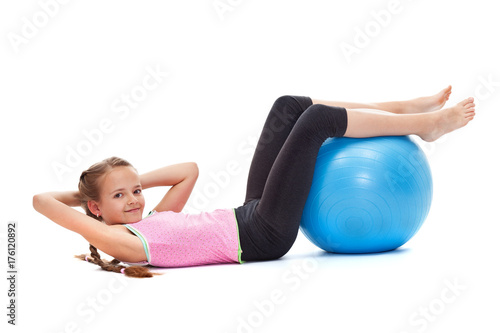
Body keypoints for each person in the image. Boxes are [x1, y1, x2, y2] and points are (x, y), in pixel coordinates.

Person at [32, 86, 475, 278]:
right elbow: (40, 200)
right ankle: (427, 124)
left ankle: (395, 108)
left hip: (250, 212)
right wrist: (88, 197)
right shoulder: (122, 243)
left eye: (135, 192)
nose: (133, 200)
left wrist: (126, 183)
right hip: (262, 236)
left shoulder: (153, 221)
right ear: (94, 210)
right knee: (317, 121)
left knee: (288, 106)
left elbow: (189, 169)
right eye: (119, 197)